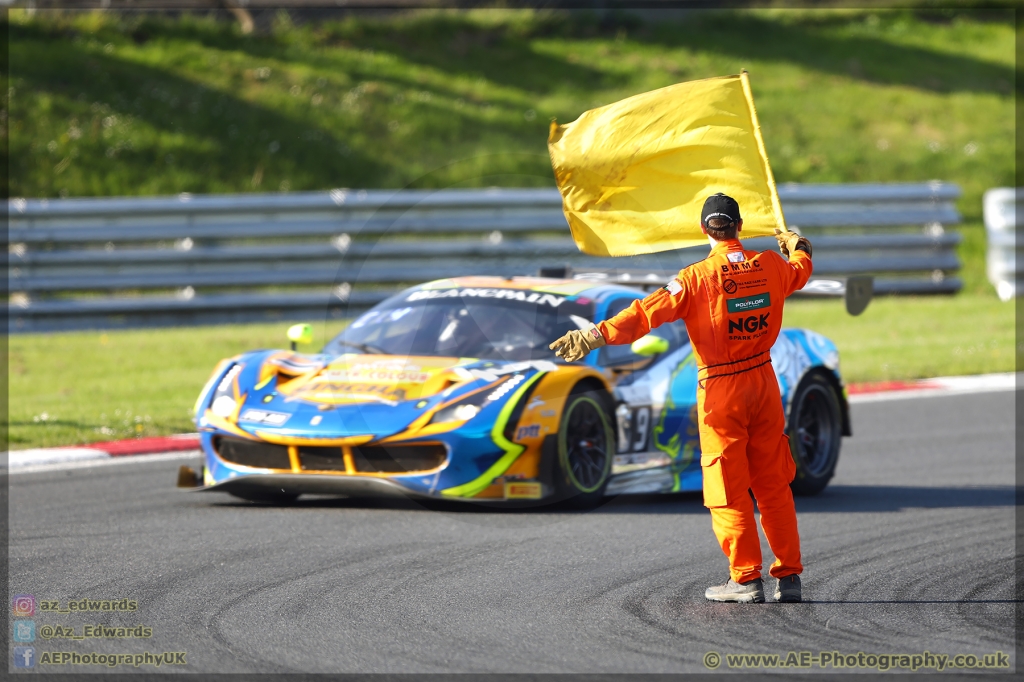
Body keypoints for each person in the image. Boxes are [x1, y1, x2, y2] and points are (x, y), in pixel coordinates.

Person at [549, 193, 813, 604]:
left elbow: (644, 313)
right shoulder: (772, 264)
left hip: (722, 390)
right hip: (763, 380)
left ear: (705, 230)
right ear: (740, 226)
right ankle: (790, 577)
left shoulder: (694, 278)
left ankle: (745, 580)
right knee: (773, 483)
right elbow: (802, 267)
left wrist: (596, 334)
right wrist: (798, 244)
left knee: (728, 486)